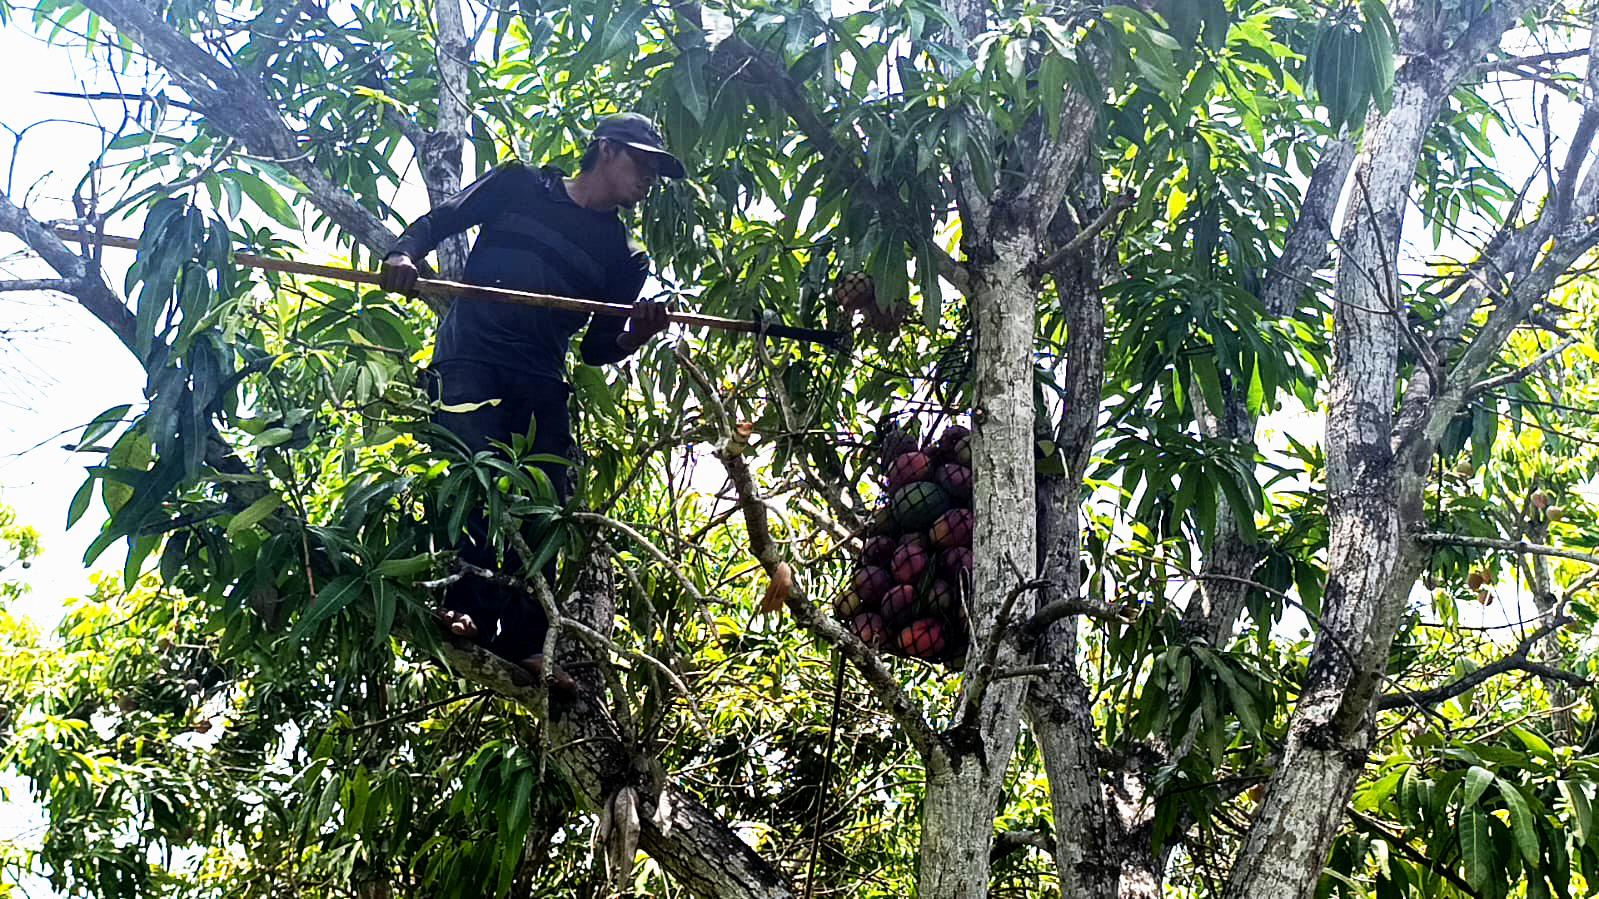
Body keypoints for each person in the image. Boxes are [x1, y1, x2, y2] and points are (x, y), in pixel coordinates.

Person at [380, 113, 686, 672]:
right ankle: (465, 608)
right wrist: (404, 254)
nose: (648, 179)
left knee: (549, 500)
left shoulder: (625, 258)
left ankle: (526, 641)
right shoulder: (521, 184)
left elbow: (596, 349)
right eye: (642, 162)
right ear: (607, 150)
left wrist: (635, 335)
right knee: (475, 477)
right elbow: (443, 219)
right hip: (470, 358)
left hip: (540, 378)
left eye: (656, 170)